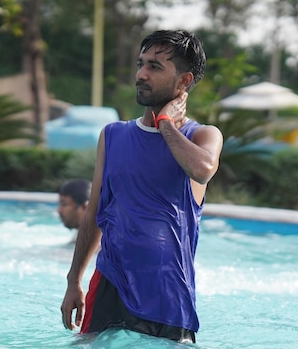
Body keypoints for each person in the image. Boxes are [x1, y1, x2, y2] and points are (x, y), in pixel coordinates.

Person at [60, 30, 224, 344]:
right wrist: (73, 281)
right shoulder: (112, 135)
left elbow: (202, 171)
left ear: (184, 80)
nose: (141, 74)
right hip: (110, 283)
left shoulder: (202, 136)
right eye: (141, 64)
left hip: (168, 293)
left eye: (155, 67)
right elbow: (95, 210)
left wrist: (164, 124)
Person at [57, 179, 91, 243]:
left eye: (64, 204)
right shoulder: (81, 237)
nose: (59, 210)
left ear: (85, 208)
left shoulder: (94, 243)